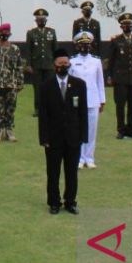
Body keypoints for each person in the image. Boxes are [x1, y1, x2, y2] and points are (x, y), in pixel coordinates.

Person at [38, 48, 87, 215]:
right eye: (60, 64)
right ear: (54, 65)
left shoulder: (79, 85)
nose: (63, 66)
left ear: (69, 64)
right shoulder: (46, 86)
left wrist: (83, 135)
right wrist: (44, 137)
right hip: (53, 138)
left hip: (73, 137)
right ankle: (54, 202)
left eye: (66, 63)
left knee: (71, 172)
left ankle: (70, 202)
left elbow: (83, 113)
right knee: (53, 172)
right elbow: (43, 115)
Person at [68, 32, 106, 168]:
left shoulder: (96, 61)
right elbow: (69, 83)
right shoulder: (72, 62)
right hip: (77, 101)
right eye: (82, 45)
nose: (84, 47)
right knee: (77, 130)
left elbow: (100, 82)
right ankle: (79, 158)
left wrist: (102, 100)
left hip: (93, 100)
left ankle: (89, 158)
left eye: (87, 45)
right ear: (77, 46)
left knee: (91, 130)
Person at [104, 14, 132, 139]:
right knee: (120, 105)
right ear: (121, 26)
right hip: (120, 78)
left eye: (130, 25)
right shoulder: (116, 41)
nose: (127, 27)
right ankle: (121, 130)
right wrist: (109, 76)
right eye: (125, 25)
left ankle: (130, 129)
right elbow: (111, 61)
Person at [0, 23, 24, 143]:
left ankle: (9, 130)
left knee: (10, 108)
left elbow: (19, 66)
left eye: (7, 33)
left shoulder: (15, 49)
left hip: (11, 83)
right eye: (3, 33)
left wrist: (20, 82)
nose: (5, 35)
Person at [25, 8, 57, 116]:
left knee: (50, 87)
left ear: (46, 20)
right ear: (36, 20)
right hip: (37, 65)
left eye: (43, 19)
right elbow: (28, 50)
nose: (41, 21)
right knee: (37, 88)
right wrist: (28, 64)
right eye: (39, 19)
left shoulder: (51, 32)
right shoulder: (31, 33)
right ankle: (38, 109)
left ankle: (50, 108)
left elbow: (55, 48)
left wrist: (56, 62)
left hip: (49, 64)